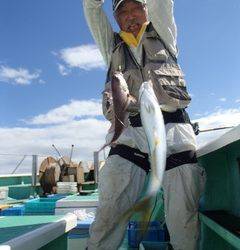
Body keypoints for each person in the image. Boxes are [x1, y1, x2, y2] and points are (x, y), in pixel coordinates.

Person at [83, 0, 206, 249]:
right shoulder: (112, 46)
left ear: (147, 9)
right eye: (123, 12)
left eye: (136, 8)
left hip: (173, 131)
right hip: (129, 133)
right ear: (116, 19)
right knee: (109, 210)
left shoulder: (163, 33)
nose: (130, 16)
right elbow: (91, 8)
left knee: (183, 217)